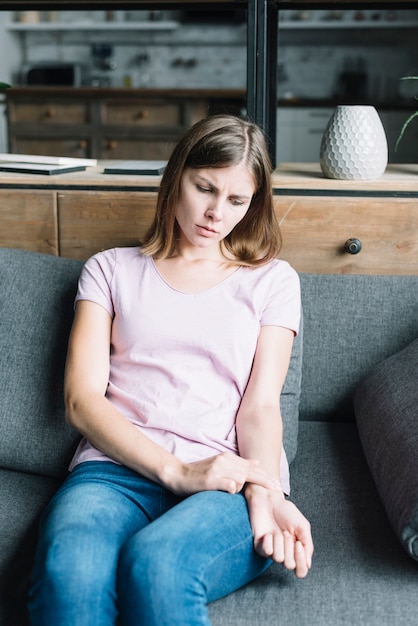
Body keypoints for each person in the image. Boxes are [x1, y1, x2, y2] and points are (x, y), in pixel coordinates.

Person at [28, 114, 313, 626]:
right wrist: (176, 472)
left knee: (157, 565)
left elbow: (261, 406)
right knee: (69, 575)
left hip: (226, 478)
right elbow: (81, 400)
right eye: (204, 188)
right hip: (112, 474)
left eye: (236, 200)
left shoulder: (272, 281)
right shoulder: (110, 269)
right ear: (175, 175)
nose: (215, 213)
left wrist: (267, 492)